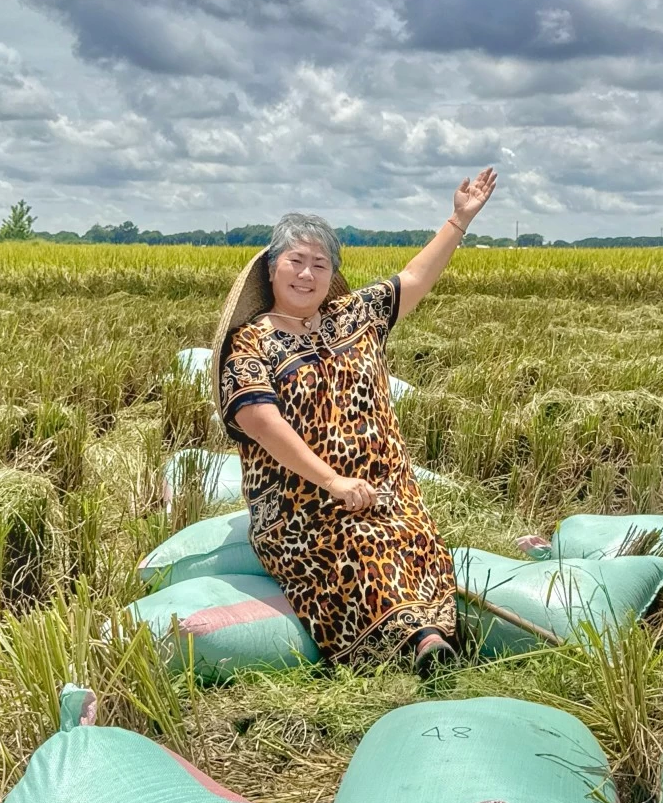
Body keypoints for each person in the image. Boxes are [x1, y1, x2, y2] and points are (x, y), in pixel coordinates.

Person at [210, 168, 497, 673]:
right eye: (295, 261)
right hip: (304, 502)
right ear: (273, 269)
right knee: (358, 542)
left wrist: (458, 219)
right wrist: (333, 481)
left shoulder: (355, 316)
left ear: (331, 274)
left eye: (319, 264)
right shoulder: (251, 341)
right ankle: (417, 645)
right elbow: (260, 421)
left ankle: (427, 637)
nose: (306, 274)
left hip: (385, 487)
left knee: (415, 537)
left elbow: (413, 279)